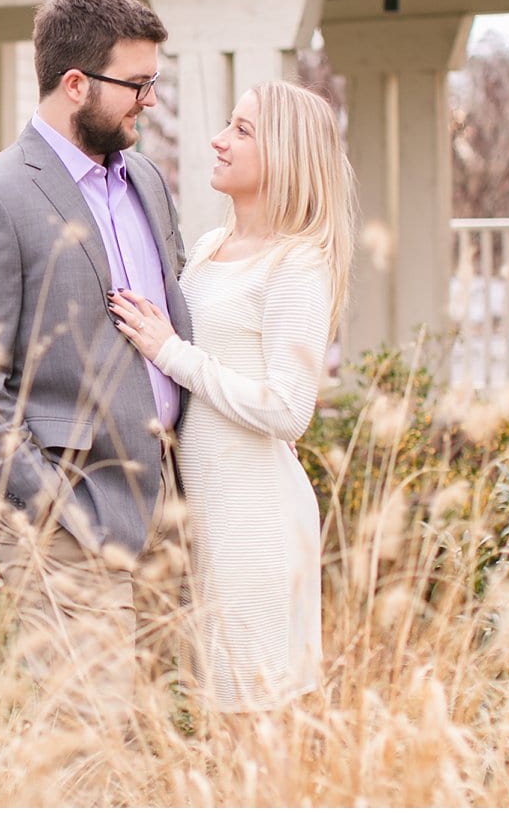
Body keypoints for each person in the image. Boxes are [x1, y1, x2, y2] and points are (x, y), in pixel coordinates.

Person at [0, 0, 191, 726]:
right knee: (85, 753)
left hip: (164, 512)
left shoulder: (145, 178)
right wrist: (53, 508)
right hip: (67, 528)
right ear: (74, 83)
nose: (148, 100)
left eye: (154, 83)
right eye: (136, 84)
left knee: (154, 744)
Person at [106, 79, 357, 714]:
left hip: (255, 521)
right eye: (228, 123)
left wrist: (171, 352)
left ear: (286, 154)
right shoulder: (211, 247)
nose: (218, 140)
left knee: (252, 731)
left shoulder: (298, 263)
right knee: (220, 727)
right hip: (206, 519)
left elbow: (289, 409)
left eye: (242, 130)